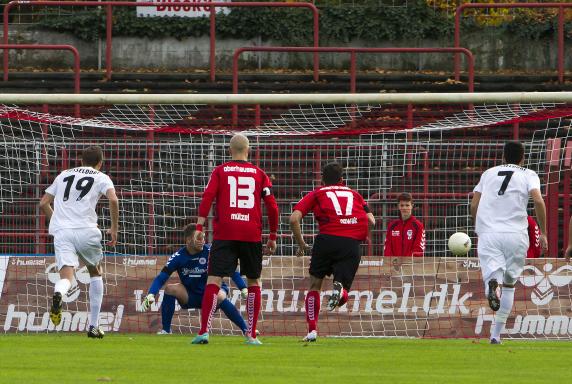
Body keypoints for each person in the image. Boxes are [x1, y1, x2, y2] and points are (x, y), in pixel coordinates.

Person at [191, 133, 279, 345]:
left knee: (214, 280)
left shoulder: (220, 171)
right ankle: (251, 333)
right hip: (251, 234)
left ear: (230, 151)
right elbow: (272, 206)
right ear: (248, 150)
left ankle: (204, 331)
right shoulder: (259, 174)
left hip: (226, 234)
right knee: (254, 282)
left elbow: (208, 198)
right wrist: (273, 235)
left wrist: (199, 226)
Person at [470, 141, 547, 345]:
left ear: (503, 156)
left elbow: (475, 203)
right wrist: (544, 233)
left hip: (490, 232)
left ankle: (491, 287)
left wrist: (478, 225)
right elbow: (538, 201)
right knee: (510, 283)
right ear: (523, 158)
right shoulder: (528, 174)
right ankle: (496, 335)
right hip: (516, 234)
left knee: (491, 275)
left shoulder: (488, 173)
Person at [39, 145, 119, 339]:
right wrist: (114, 229)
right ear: (100, 163)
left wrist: (57, 220)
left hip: (63, 233)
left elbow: (43, 203)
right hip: (87, 231)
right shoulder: (101, 177)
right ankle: (93, 326)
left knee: (66, 276)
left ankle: (59, 293)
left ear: (81, 160)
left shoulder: (63, 175)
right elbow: (114, 200)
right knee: (95, 272)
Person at [289, 162, 375, 342]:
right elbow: (371, 221)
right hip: (350, 243)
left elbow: (294, 218)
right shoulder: (355, 195)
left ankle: (312, 330)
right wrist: (358, 232)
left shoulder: (317, 193)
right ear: (342, 179)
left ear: (322, 180)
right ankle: (340, 291)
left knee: (314, 286)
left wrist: (302, 243)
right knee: (343, 289)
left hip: (326, 240)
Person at [140, 226, 251, 336]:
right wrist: (151, 294)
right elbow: (161, 278)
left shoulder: (211, 252)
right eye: (199, 238)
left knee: (220, 295)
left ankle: (246, 330)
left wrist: (243, 288)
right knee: (170, 289)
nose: (202, 241)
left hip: (212, 294)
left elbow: (232, 270)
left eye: (203, 238)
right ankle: (166, 330)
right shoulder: (178, 257)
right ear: (188, 240)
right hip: (190, 295)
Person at [383, 192, 425, 257]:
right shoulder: (392, 226)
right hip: (393, 265)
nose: (404, 208)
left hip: (411, 265)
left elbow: (418, 249)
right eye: (402, 205)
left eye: (407, 205)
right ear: (398, 206)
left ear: (412, 206)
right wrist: (392, 262)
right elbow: (387, 247)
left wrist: (406, 262)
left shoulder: (418, 226)